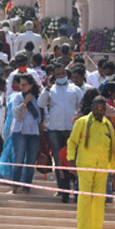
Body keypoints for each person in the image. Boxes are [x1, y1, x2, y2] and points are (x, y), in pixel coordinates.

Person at [69, 96, 115, 229]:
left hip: (102, 168)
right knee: (84, 197)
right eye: (97, 108)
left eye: (102, 109)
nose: (99, 111)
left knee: (99, 200)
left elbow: (113, 150)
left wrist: (114, 169)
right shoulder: (82, 122)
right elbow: (72, 142)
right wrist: (71, 160)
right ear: (92, 107)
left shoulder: (108, 125)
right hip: (85, 165)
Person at [39, 64, 82, 203]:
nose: (61, 76)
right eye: (58, 74)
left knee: (72, 158)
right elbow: (40, 103)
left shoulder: (75, 89)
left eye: (63, 73)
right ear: (54, 76)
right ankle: (61, 188)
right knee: (58, 159)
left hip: (71, 129)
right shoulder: (51, 90)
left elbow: (80, 106)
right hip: (55, 129)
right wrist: (47, 87)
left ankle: (74, 188)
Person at [7, 72, 42, 194]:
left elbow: (42, 115)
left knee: (31, 161)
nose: (22, 87)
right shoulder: (18, 97)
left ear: (31, 85)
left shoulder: (38, 97)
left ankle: (27, 187)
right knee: (19, 159)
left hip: (34, 133)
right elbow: (17, 115)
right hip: (19, 132)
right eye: (20, 85)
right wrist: (26, 102)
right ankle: (15, 186)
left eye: (25, 85)